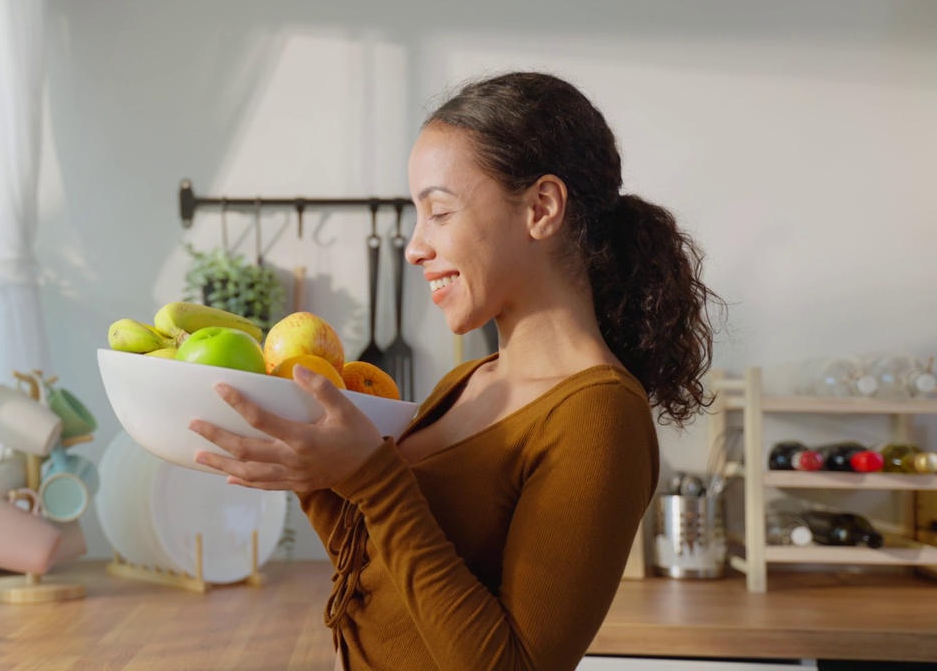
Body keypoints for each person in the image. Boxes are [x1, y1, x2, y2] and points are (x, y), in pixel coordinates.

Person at [189, 71, 721, 670]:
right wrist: (312, 468)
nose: (415, 247)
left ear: (541, 208)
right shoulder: (464, 385)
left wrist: (372, 478)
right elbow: (381, 583)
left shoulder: (600, 415)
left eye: (438, 211)